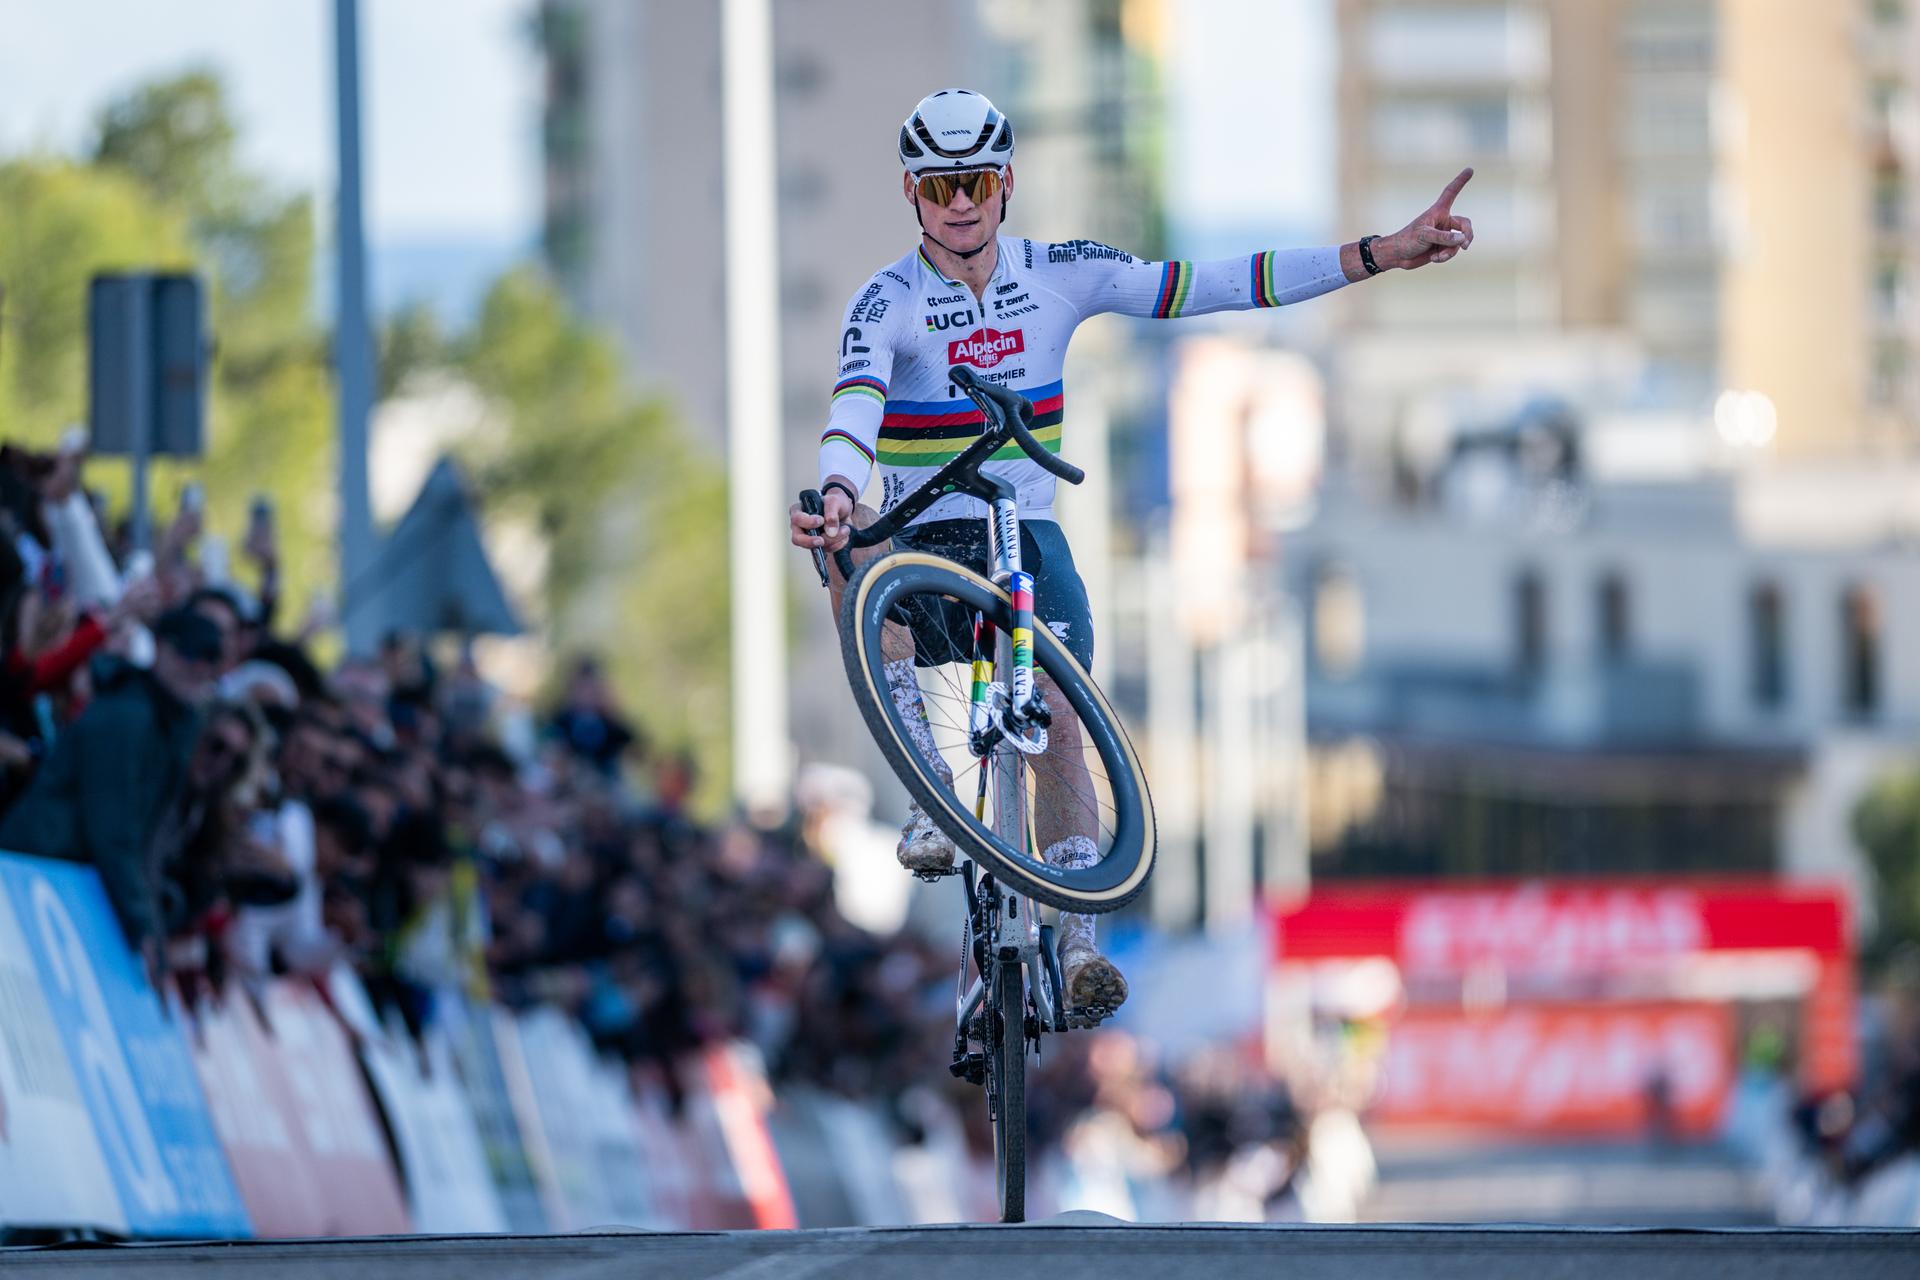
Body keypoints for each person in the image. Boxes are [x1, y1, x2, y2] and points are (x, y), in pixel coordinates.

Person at [790, 88, 1475, 1015]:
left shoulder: (1061, 272)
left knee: (1061, 723)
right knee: (844, 562)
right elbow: (854, 407)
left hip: (1021, 529)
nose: (961, 203)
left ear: (1007, 185)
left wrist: (1379, 256)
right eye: (941, 185)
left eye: (978, 182)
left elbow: (1213, 285)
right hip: (922, 527)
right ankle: (930, 796)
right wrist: (838, 493)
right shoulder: (889, 300)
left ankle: (1075, 950)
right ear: (913, 193)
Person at [0, 606, 224, 967]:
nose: (198, 667)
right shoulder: (128, 716)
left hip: (60, 878)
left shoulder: (173, 725)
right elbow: (114, 830)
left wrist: (150, 927)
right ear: (161, 648)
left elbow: (145, 841)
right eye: (189, 653)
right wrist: (144, 926)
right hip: (35, 867)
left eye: (211, 659)